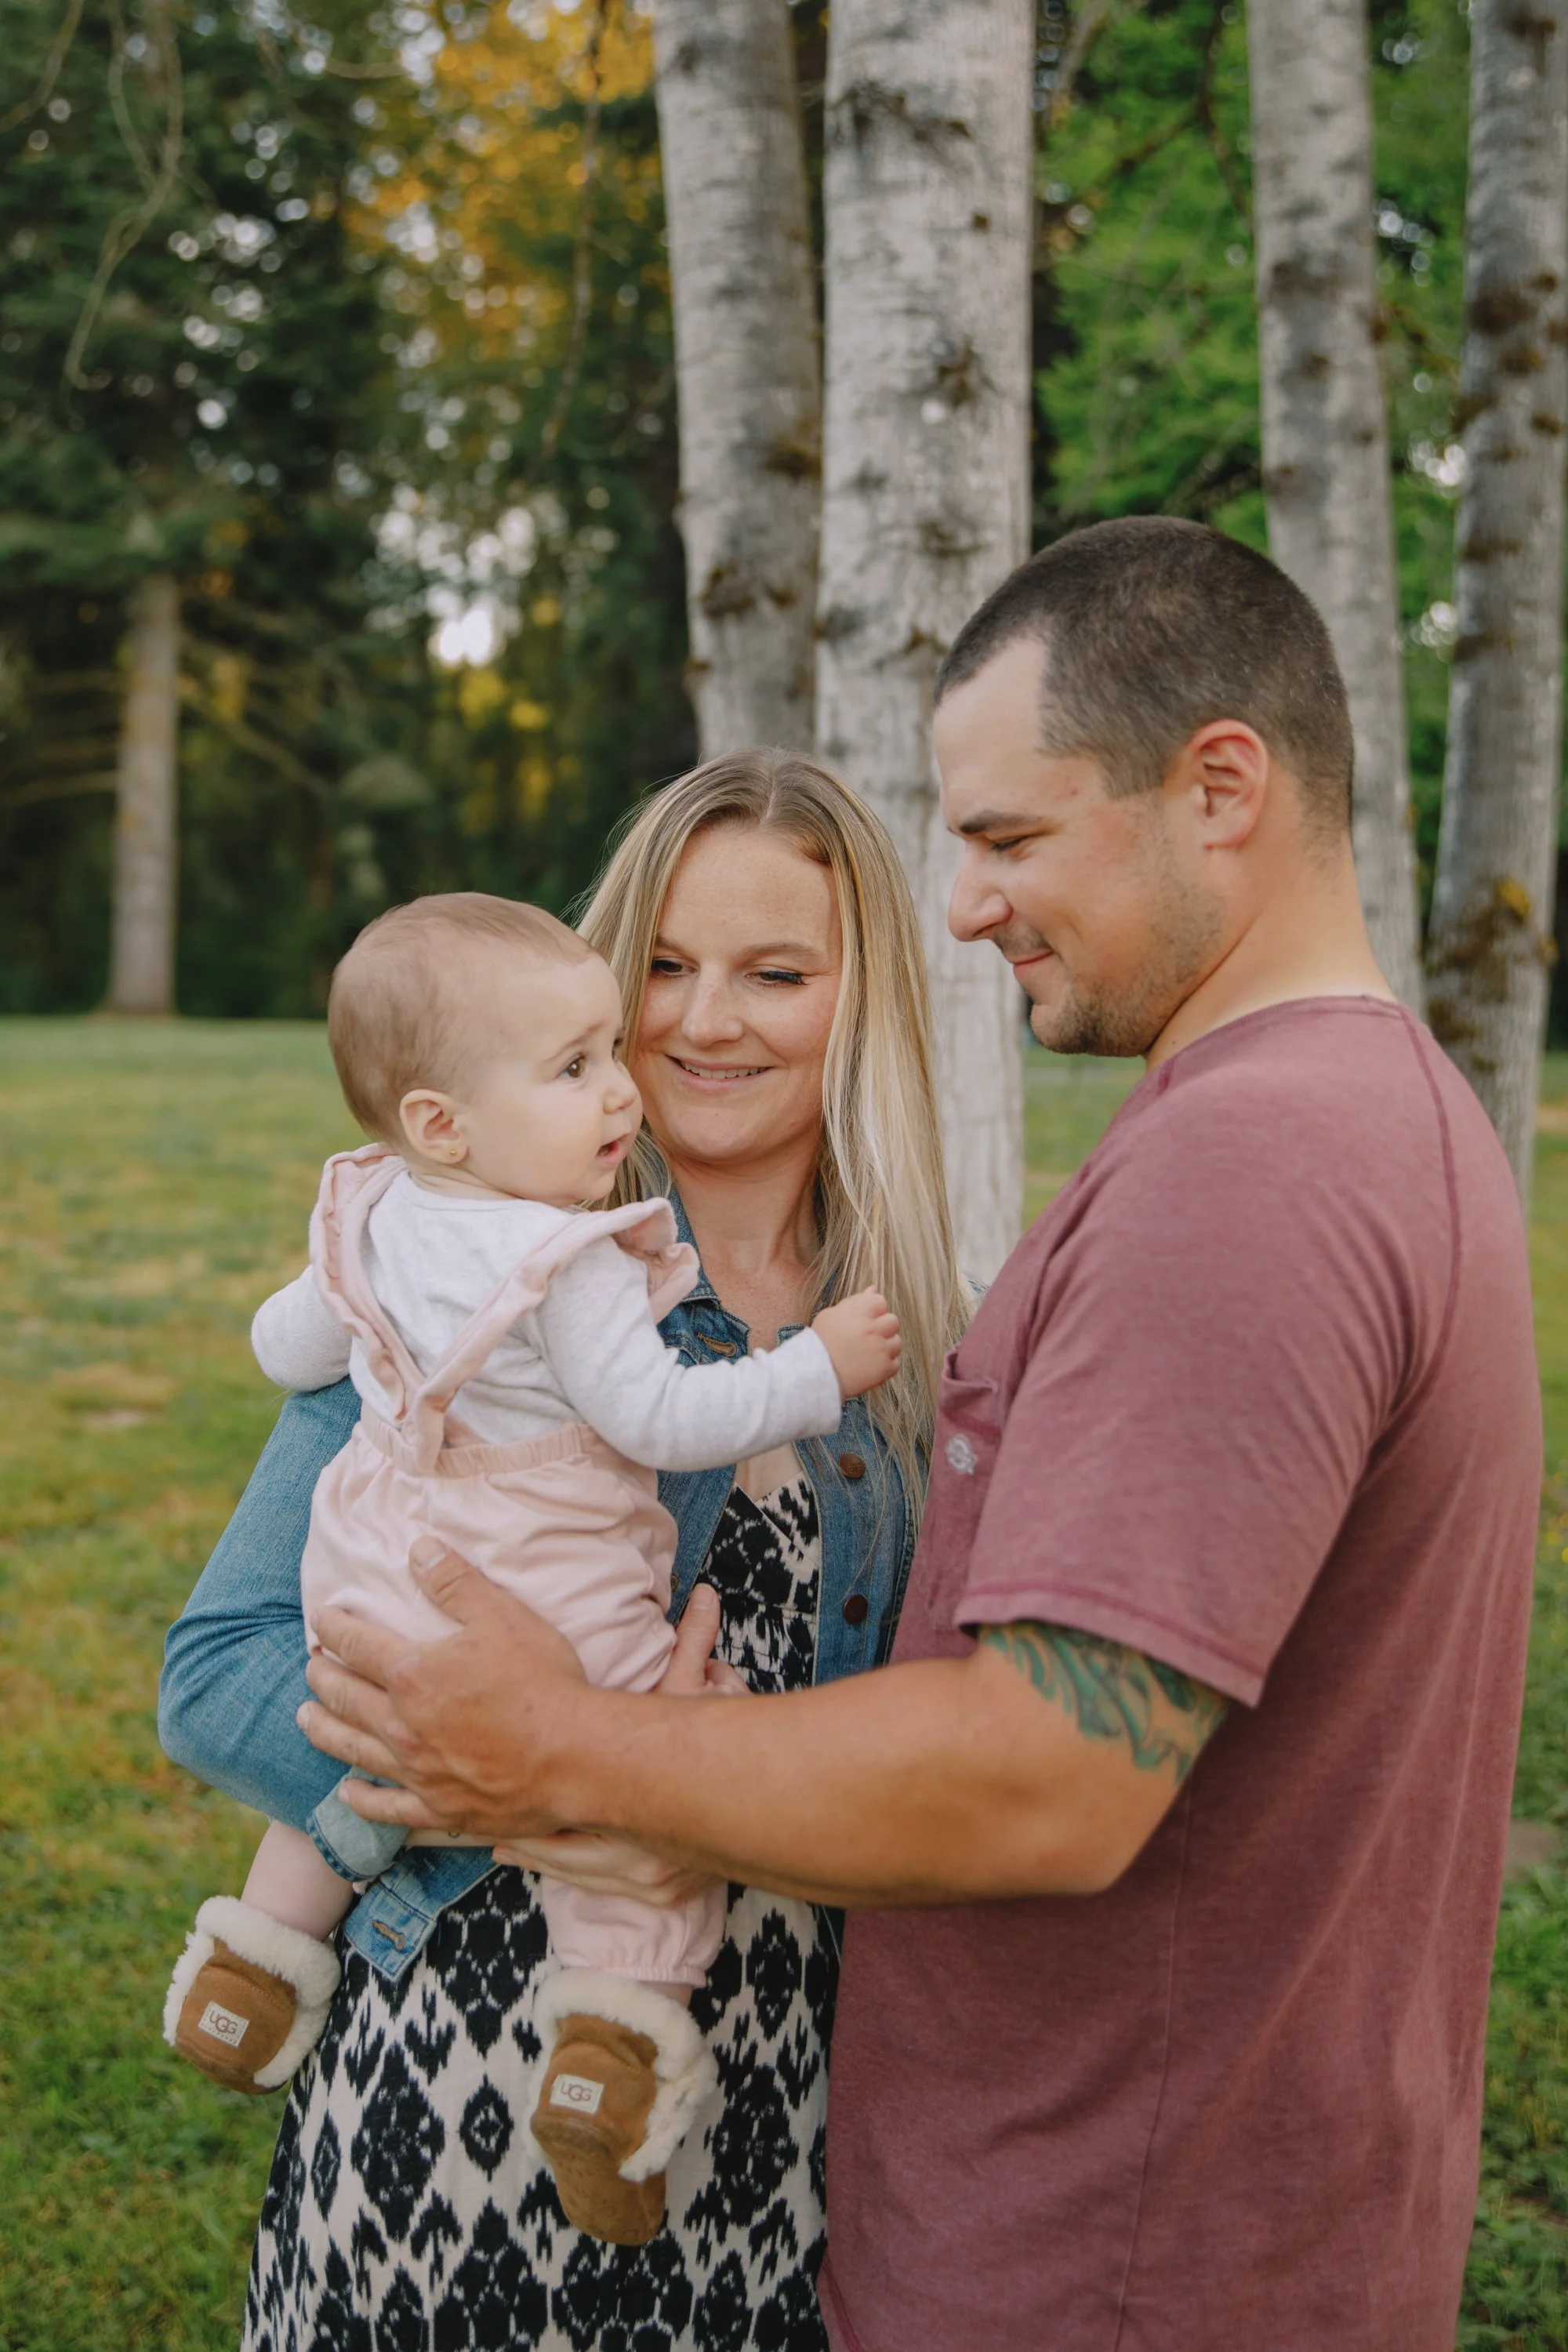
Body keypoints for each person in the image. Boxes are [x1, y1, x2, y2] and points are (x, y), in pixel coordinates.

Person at [292, 517, 1542, 2352]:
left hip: (1112, 2255)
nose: (965, 906)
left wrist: (558, 1743)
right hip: (1156, 2215)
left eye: (1012, 839)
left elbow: (1049, 1774)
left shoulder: (1249, 1167)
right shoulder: (1378, 1114)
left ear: (1220, 789)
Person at [158, 755, 970, 2347]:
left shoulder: (914, 1354)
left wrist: (704, 1792)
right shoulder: (476, 1285)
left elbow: (946, 1759)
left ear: (861, 1002)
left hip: (775, 2114)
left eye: (776, 974)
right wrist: (561, 1796)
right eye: (661, 965)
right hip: (451, 2086)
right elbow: (218, 1677)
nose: (703, 1021)